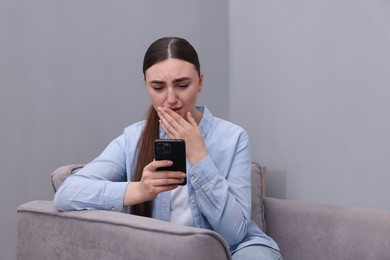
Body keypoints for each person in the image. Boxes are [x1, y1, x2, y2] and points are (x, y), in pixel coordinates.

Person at [54, 36, 283, 260]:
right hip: (166, 250)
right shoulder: (133, 138)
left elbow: (235, 233)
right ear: (146, 86)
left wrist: (198, 155)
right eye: (158, 87)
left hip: (233, 249)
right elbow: (67, 193)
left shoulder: (233, 138)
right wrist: (140, 190)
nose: (171, 99)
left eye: (182, 85)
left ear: (200, 81)